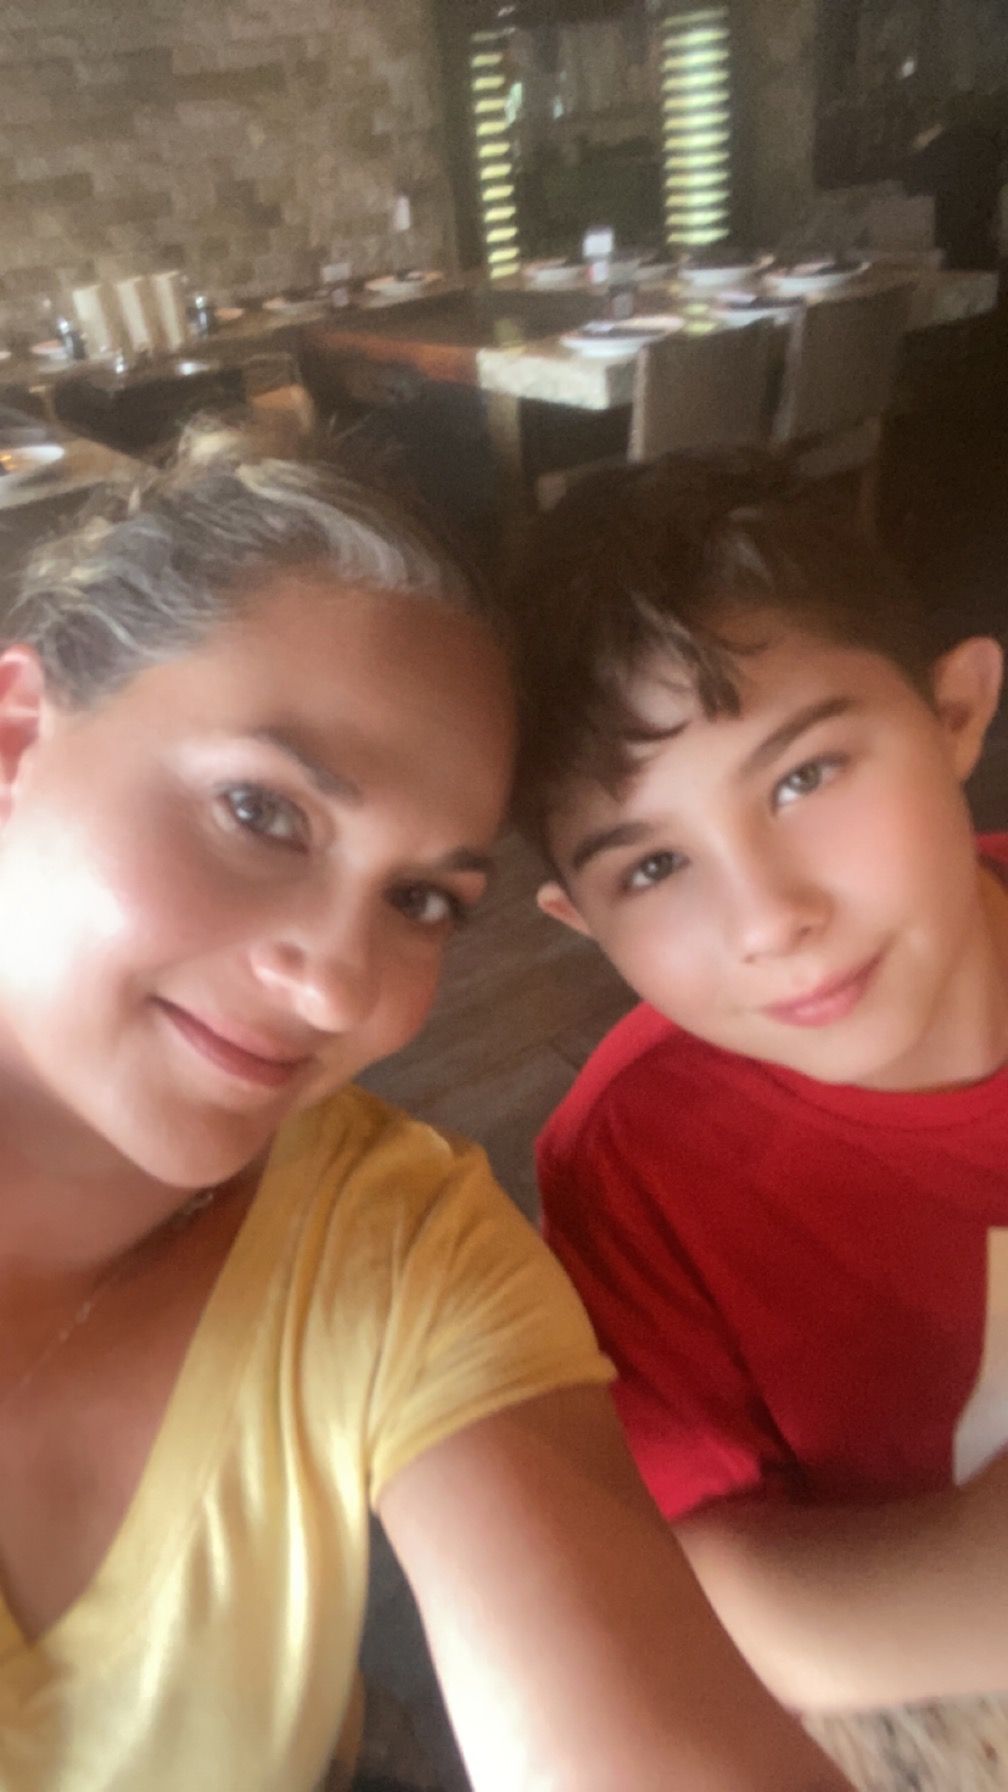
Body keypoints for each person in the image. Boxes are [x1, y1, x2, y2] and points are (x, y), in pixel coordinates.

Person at [0, 425, 848, 1792]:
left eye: (422, 903)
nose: (339, 986)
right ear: (18, 735)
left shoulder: (399, 1250)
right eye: (262, 813)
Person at [511, 453, 1008, 1714]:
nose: (770, 919)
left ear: (958, 712)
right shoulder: (633, 1166)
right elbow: (700, 1577)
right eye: (654, 868)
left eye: (805, 776)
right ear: (580, 923)